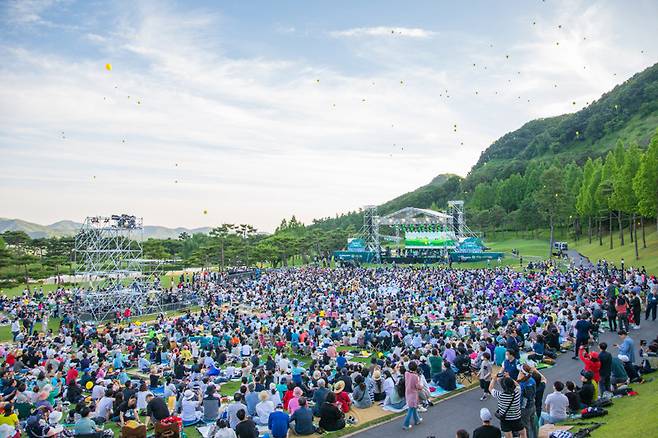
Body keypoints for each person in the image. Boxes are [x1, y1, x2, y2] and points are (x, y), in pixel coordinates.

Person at [402, 361, 423, 430]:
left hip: (408, 393)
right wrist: (419, 379)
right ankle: (406, 424)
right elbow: (418, 387)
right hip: (413, 394)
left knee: (413, 408)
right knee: (411, 409)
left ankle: (417, 420)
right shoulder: (415, 376)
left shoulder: (406, 373)